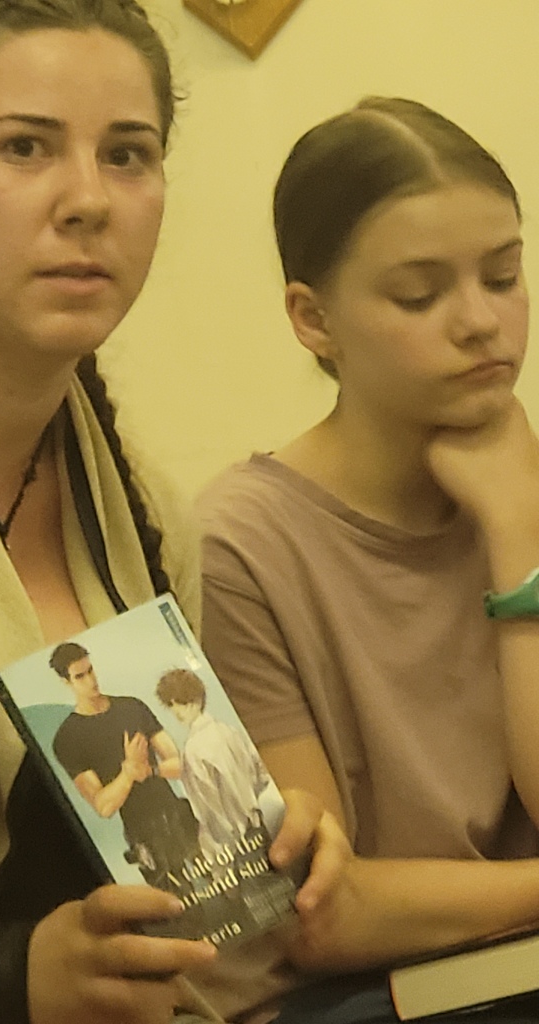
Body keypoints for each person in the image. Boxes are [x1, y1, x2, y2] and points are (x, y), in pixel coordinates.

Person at [0, 2, 346, 1022]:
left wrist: (256, 837)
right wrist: (0, 976)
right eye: (25, 147)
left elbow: (139, 877)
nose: (87, 200)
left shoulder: (147, 510)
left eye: (128, 155)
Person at [198, 96, 539, 1024]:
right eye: (420, 296)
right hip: (352, 1004)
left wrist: (517, 535)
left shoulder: (523, 492)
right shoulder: (240, 542)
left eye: (504, 276)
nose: (482, 322)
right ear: (313, 319)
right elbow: (321, 910)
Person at [50, 642, 201, 887]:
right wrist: (128, 772)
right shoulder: (68, 738)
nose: (91, 680)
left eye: (90, 670)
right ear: (66, 682)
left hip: (178, 815)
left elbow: (180, 764)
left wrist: (151, 770)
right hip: (143, 835)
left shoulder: (131, 707)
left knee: (225, 883)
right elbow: (103, 806)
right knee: (176, 902)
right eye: (80, 676)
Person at [155, 668, 273, 864]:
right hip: (262, 823)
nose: (176, 711)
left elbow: (208, 810)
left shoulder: (193, 749)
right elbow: (261, 773)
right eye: (171, 704)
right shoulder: (230, 732)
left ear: (197, 700)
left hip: (235, 844)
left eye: (181, 702)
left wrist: (216, 855)